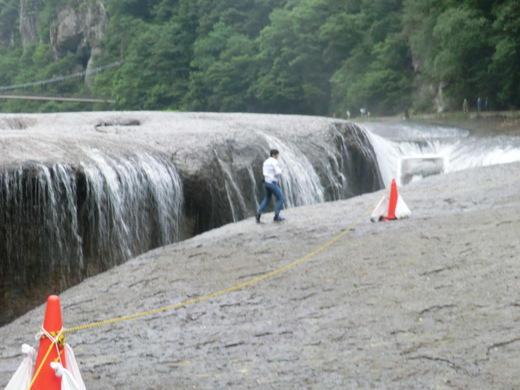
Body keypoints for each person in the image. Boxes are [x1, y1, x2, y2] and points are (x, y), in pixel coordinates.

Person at [256, 149, 286, 222]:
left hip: (266, 182)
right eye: (277, 155)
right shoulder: (274, 162)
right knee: (281, 198)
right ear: (273, 155)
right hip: (272, 183)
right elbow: (277, 172)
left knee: (267, 198)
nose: (277, 156)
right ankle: (276, 216)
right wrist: (281, 170)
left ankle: (258, 214)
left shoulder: (266, 162)